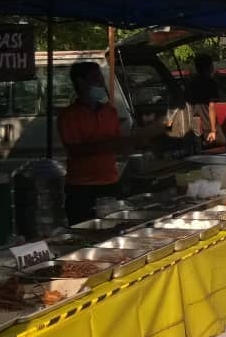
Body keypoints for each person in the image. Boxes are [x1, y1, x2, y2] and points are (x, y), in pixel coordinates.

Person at [58, 61, 162, 224]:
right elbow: (78, 150)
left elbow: (119, 148)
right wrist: (125, 140)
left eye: (100, 77)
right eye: (95, 78)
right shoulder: (68, 115)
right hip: (82, 188)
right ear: (80, 81)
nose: (100, 82)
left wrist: (141, 139)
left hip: (110, 183)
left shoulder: (109, 111)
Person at [185, 53, 223, 147]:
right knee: (220, 144)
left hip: (193, 121)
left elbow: (187, 103)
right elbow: (211, 107)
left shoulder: (191, 82)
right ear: (210, 66)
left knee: (197, 148)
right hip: (207, 121)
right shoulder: (211, 83)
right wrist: (213, 130)